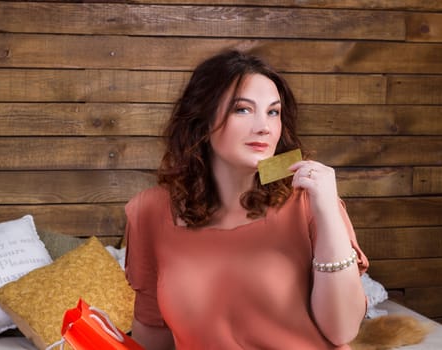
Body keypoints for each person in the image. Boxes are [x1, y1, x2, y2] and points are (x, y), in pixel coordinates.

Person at [124, 50, 368, 350]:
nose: (264, 127)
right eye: (243, 110)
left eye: (273, 112)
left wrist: (328, 209)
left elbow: (342, 330)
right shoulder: (150, 211)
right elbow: (152, 335)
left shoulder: (308, 200)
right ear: (202, 118)